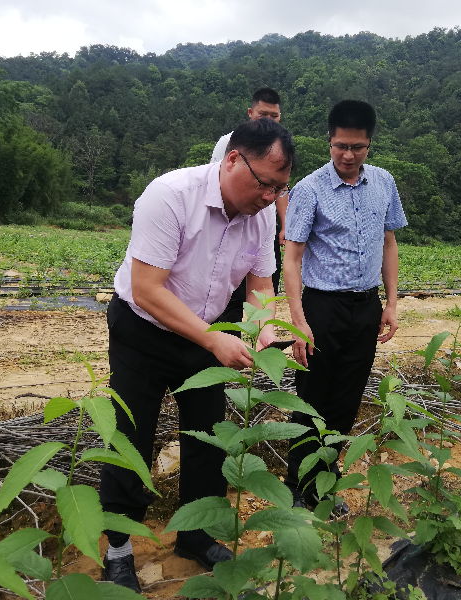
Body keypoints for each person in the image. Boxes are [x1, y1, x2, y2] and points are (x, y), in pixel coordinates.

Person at [100, 118, 294, 592]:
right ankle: (120, 547)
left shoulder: (263, 214)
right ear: (232, 159)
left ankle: (194, 533)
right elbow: (147, 289)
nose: (269, 197)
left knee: (208, 434)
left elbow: (260, 284)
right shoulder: (170, 194)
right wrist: (212, 338)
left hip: (208, 331)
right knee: (131, 432)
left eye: (279, 188)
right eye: (264, 184)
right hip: (144, 329)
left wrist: (265, 327)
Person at [283, 100, 407, 512]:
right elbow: (293, 258)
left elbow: (389, 243)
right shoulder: (309, 189)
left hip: (365, 306)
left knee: (347, 399)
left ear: (370, 145)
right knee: (311, 397)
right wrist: (299, 323)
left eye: (357, 147)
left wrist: (390, 303)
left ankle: (326, 479)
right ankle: (299, 486)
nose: (348, 155)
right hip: (321, 307)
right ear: (329, 142)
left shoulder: (384, 183)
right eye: (340, 146)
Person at [211, 88, 287, 323]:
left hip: (263, 226)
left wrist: (285, 225)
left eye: (274, 116)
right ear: (251, 113)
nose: (269, 120)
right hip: (232, 225)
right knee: (229, 292)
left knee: (265, 285)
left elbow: (283, 188)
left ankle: (260, 334)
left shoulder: (281, 146)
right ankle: (225, 338)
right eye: (263, 114)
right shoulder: (231, 142)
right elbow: (218, 180)